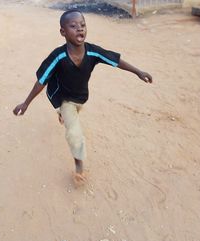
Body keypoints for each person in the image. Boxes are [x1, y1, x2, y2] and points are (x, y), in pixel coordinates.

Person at [13, 9, 152, 186]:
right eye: (73, 26)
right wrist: (26, 103)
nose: (80, 29)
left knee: (73, 113)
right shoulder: (58, 56)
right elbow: (41, 81)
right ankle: (79, 166)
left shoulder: (93, 52)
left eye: (83, 25)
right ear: (63, 32)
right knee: (74, 132)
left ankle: (63, 114)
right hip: (63, 98)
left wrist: (138, 72)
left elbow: (115, 61)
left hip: (81, 97)